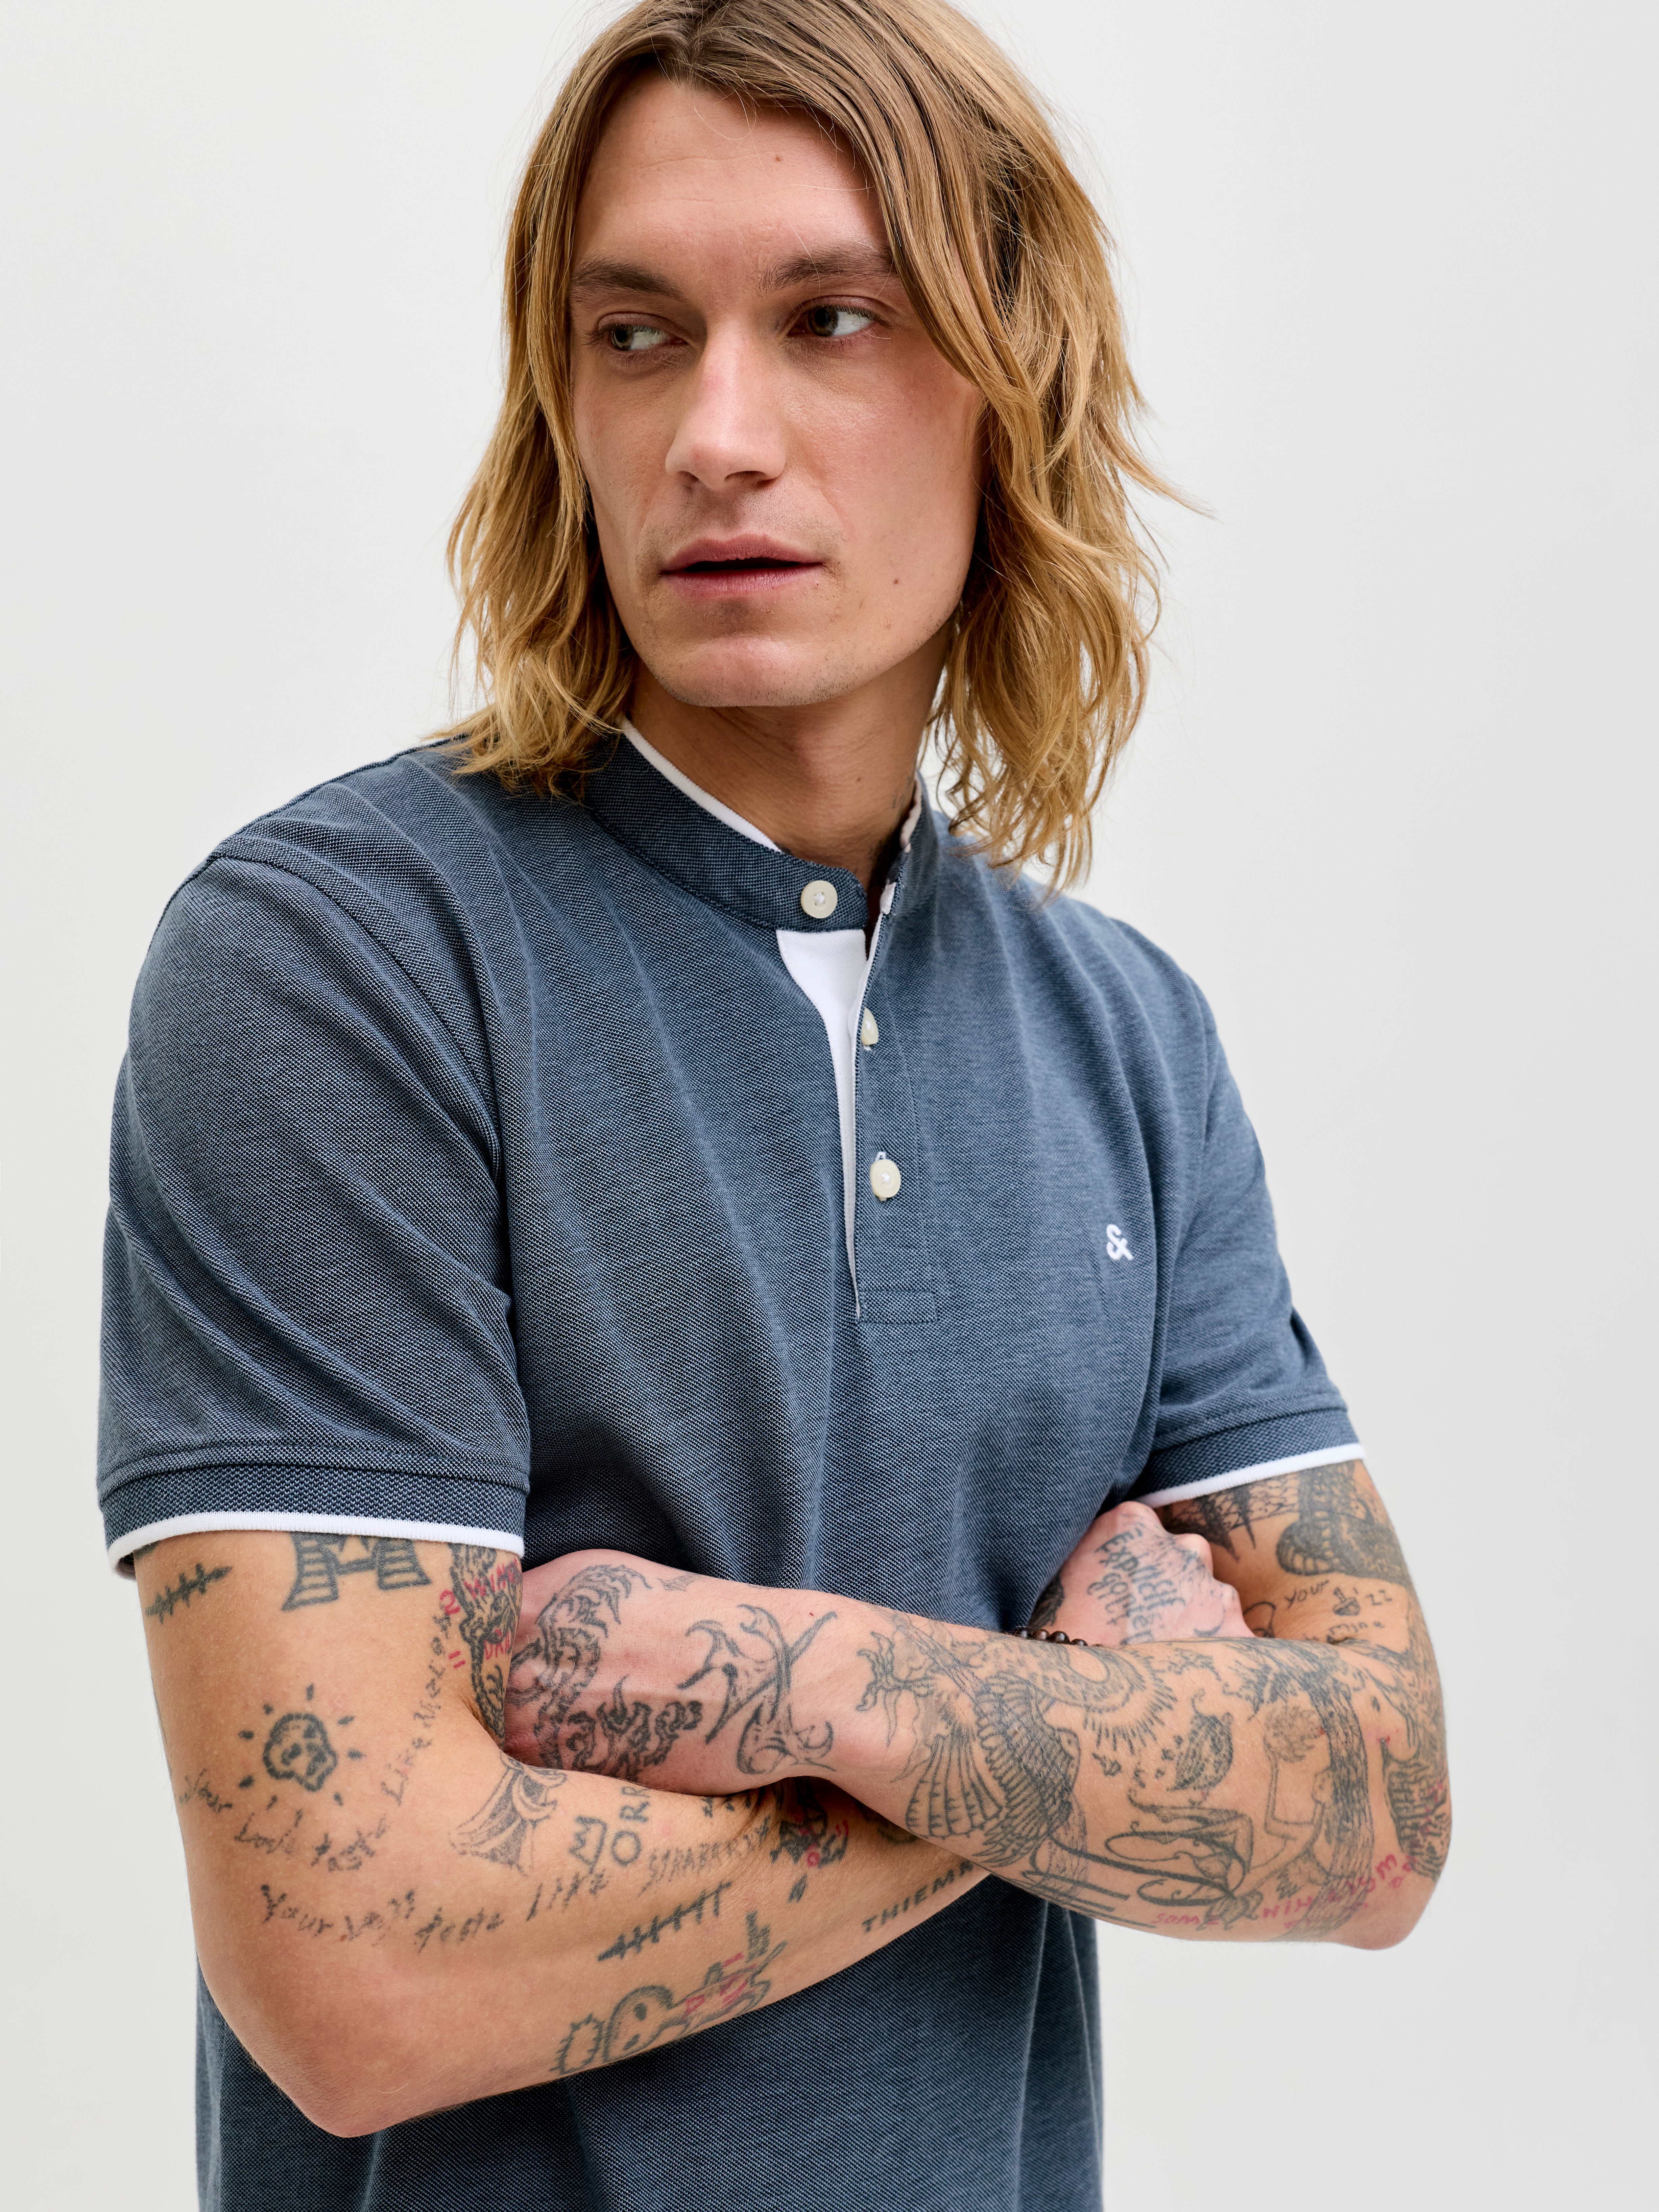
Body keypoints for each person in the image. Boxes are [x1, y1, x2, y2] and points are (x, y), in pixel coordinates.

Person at [99, 3, 1449, 2207]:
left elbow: (1380, 1813)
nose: (716, 436)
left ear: (1014, 381)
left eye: (831, 319)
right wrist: (1069, 1721)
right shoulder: (342, 958)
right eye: (637, 335)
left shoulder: (1127, 1034)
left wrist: (801, 1682)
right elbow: (358, 1974)